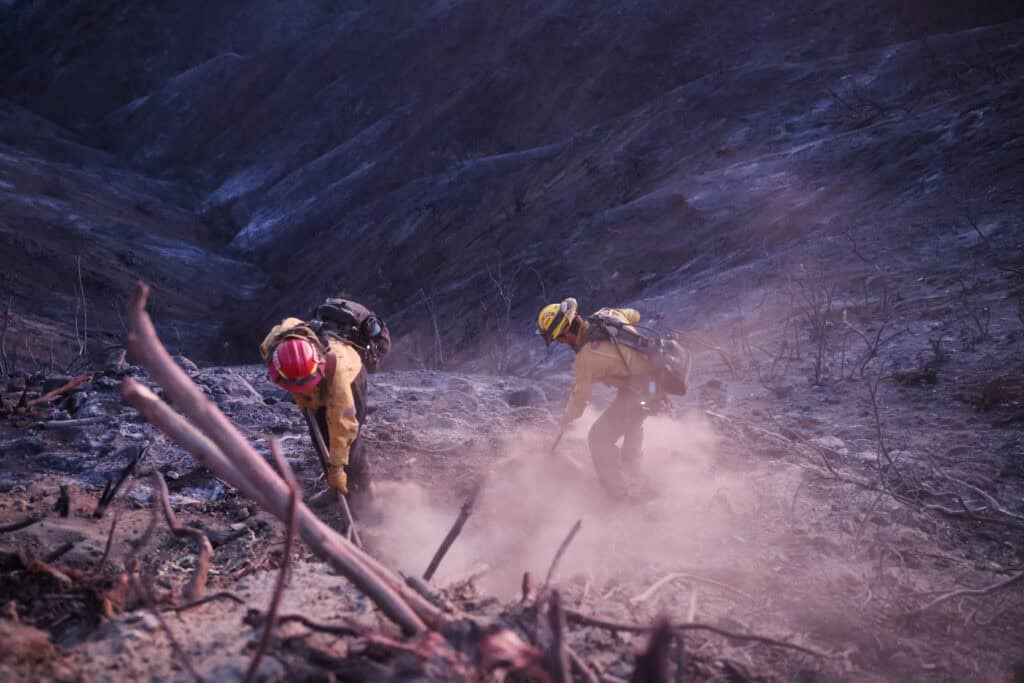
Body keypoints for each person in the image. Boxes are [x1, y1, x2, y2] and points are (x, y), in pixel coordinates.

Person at [259, 298, 389, 519]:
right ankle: (335, 489)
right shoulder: (274, 347)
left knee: (351, 445)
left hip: (351, 378)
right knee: (318, 434)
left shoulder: (339, 373)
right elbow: (295, 379)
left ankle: (366, 498)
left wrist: (337, 469)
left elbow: (343, 429)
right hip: (309, 376)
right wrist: (306, 402)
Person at [537, 297, 665, 499]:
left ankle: (619, 497)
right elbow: (634, 315)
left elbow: (580, 397)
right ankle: (634, 473)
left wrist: (566, 420)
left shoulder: (587, 358)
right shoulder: (606, 314)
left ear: (567, 330)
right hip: (655, 381)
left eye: (559, 338)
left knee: (598, 438)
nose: (560, 342)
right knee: (632, 421)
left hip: (641, 390)